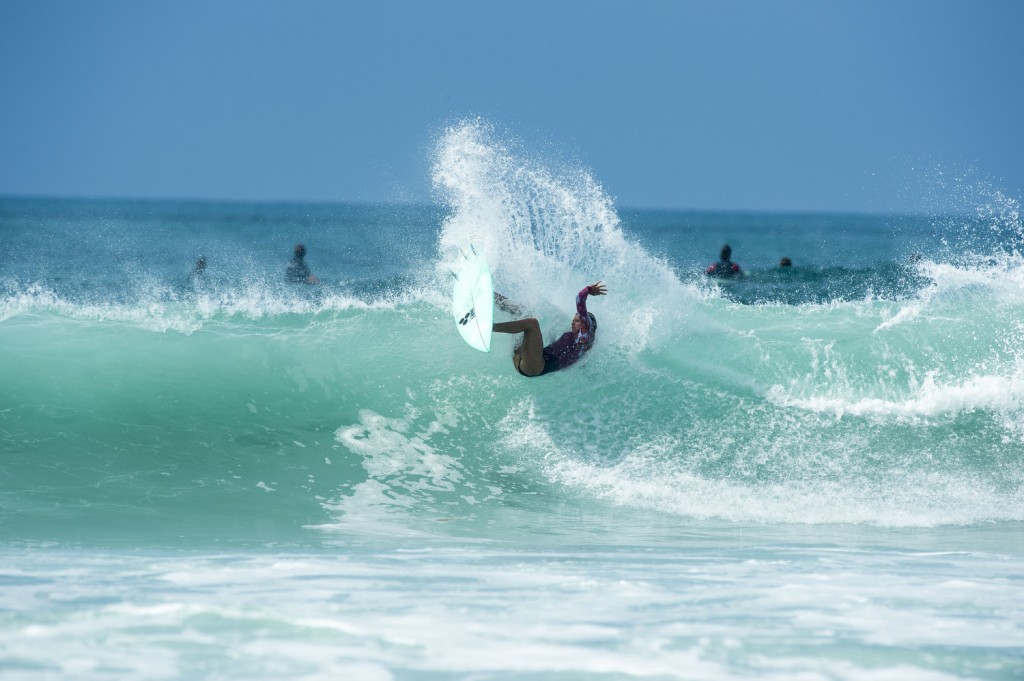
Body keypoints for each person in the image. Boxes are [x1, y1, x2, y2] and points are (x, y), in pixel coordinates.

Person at [492, 281, 607, 377]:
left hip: (534, 366)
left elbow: (580, 297)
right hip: (522, 359)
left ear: (586, 326)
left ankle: (490, 327)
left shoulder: (584, 338)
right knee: (522, 312)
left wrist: (589, 289)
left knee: (532, 323)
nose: (572, 321)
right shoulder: (581, 344)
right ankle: (492, 296)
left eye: (577, 320)